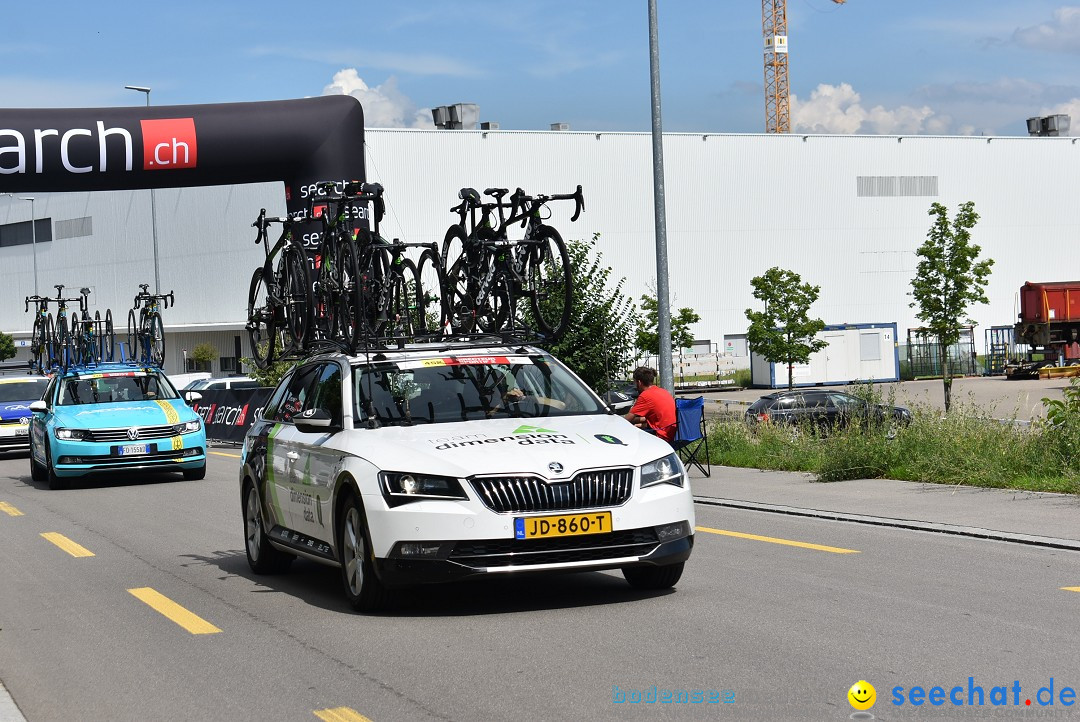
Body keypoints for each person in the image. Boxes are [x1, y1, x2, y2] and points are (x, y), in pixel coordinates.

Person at [624, 366, 676, 443]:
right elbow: (658, 418)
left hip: (661, 437)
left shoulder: (645, 396)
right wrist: (637, 424)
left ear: (639, 382)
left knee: (627, 437)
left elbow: (627, 420)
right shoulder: (663, 391)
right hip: (672, 433)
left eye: (634, 382)